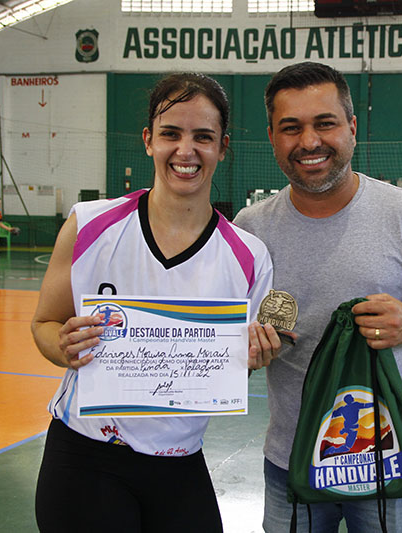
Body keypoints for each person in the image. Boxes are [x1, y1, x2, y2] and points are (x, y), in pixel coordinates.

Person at [31, 73, 280, 532]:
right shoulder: (88, 225)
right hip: (86, 456)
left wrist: (250, 358)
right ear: (148, 140)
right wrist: (63, 346)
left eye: (202, 137)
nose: (186, 150)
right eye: (171, 134)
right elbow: (45, 323)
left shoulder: (250, 256)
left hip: (180, 460)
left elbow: (227, 367)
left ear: (222, 147)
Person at [232, 61, 402, 533]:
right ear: (272, 137)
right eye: (291, 128)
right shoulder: (250, 228)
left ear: (352, 127)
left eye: (325, 123)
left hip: (386, 458)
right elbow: (228, 335)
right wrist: (247, 350)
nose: (309, 142)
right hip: (290, 457)